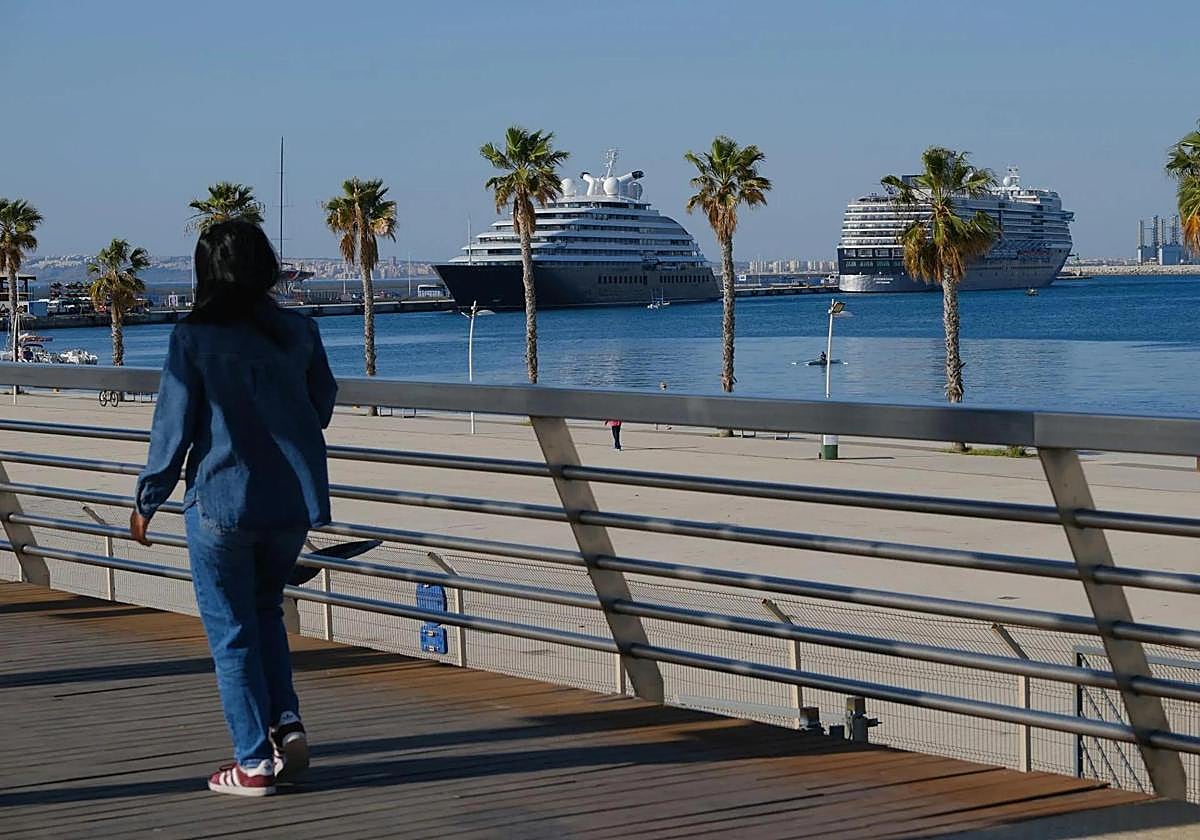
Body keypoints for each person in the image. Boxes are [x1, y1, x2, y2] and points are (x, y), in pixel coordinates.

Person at [130, 220, 337, 798]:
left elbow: (173, 428)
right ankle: (285, 722)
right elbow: (321, 404)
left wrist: (148, 500)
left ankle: (252, 763)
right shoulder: (299, 331)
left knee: (231, 632)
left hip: (221, 500)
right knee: (267, 610)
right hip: (289, 502)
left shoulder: (193, 337)